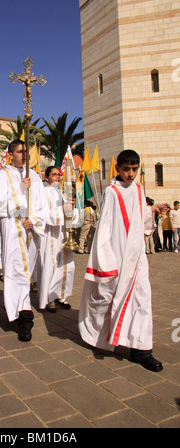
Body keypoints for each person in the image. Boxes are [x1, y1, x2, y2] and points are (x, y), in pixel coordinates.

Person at [79, 149, 167, 372]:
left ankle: (142, 350)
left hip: (137, 259)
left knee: (142, 301)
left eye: (134, 169)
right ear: (117, 168)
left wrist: (152, 210)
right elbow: (105, 227)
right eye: (126, 169)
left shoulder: (138, 189)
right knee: (108, 300)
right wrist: (105, 260)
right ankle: (101, 336)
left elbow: (140, 218)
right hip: (117, 257)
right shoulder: (111, 192)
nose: (131, 173)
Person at [0, 139, 47, 341]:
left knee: (27, 272)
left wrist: (33, 220)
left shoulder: (34, 175)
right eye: (19, 152)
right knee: (16, 271)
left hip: (30, 230)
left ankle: (22, 309)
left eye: (26, 152)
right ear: (10, 154)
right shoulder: (2, 175)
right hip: (13, 229)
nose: (24, 155)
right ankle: (23, 315)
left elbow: (42, 203)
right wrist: (20, 189)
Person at [37, 166, 80, 312]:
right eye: (54, 174)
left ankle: (60, 295)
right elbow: (44, 215)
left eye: (58, 175)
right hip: (50, 235)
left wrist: (72, 208)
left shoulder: (63, 193)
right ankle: (49, 299)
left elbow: (71, 216)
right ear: (47, 177)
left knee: (67, 266)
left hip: (63, 235)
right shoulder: (44, 192)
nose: (57, 177)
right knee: (51, 266)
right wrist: (62, 208)